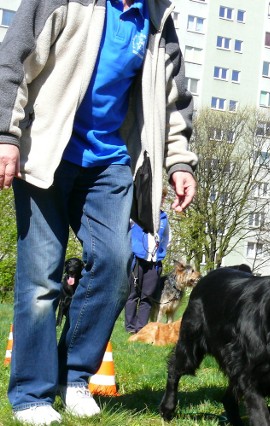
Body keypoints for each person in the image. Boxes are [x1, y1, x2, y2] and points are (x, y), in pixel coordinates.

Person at [0, 0, 197, 424]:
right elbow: (13, 62)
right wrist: (6, 135)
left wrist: (179, 162)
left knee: (113, 261)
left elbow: (173, 99)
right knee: (41, 276)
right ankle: (31, 395)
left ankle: (73, 376)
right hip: (46, 153)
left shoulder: (156, 17)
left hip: (109, 163)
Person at [125, 189, 171, 334]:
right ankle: (130, 327)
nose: (160, 200)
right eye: (158, 196)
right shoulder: (137, 213)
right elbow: (125, 230)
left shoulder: (164, 218)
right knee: (133, 295)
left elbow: (167, 239)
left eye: (162, 198)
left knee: (147, 297)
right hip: (137, 259)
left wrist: (160, 253)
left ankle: (141, 328)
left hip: (153, 262)